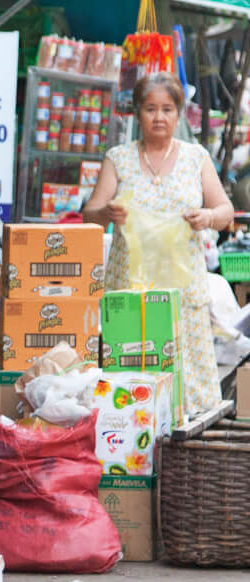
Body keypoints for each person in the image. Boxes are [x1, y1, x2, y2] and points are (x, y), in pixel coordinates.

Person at [82, 73, 232, 419]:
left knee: (188, 389)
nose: (159, 117)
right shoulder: (118, 158)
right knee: (132, 379)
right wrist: (106, 211)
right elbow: (90, 215)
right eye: (151, 109)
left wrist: (207, 217)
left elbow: (225, 212)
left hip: (183, 292)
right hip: (132, 292)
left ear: (179, 114)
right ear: (138, 114)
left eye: (167, 109)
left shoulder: (196, 158)